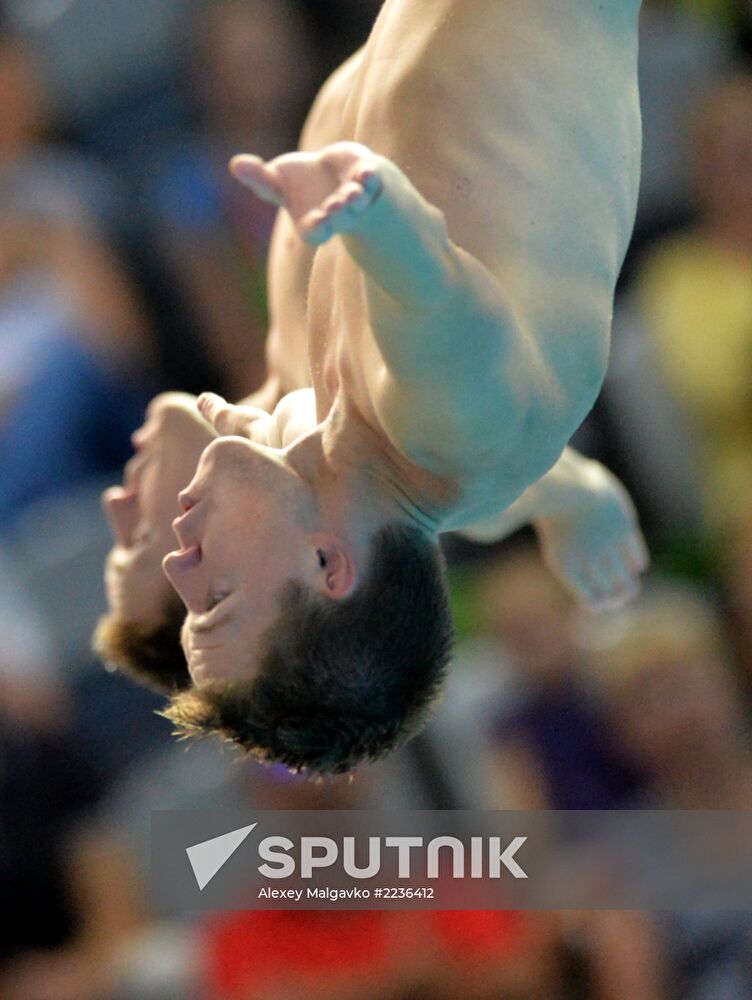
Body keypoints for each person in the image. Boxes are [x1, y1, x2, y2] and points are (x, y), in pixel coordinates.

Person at [106, 1, 648, 775]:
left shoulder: (379, 443)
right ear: (329, 568)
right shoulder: (451, 430)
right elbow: (441, 302)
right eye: (213, 599)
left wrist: (578, 499)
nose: (177, 564)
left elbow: (501, 500)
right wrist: (376, 215)